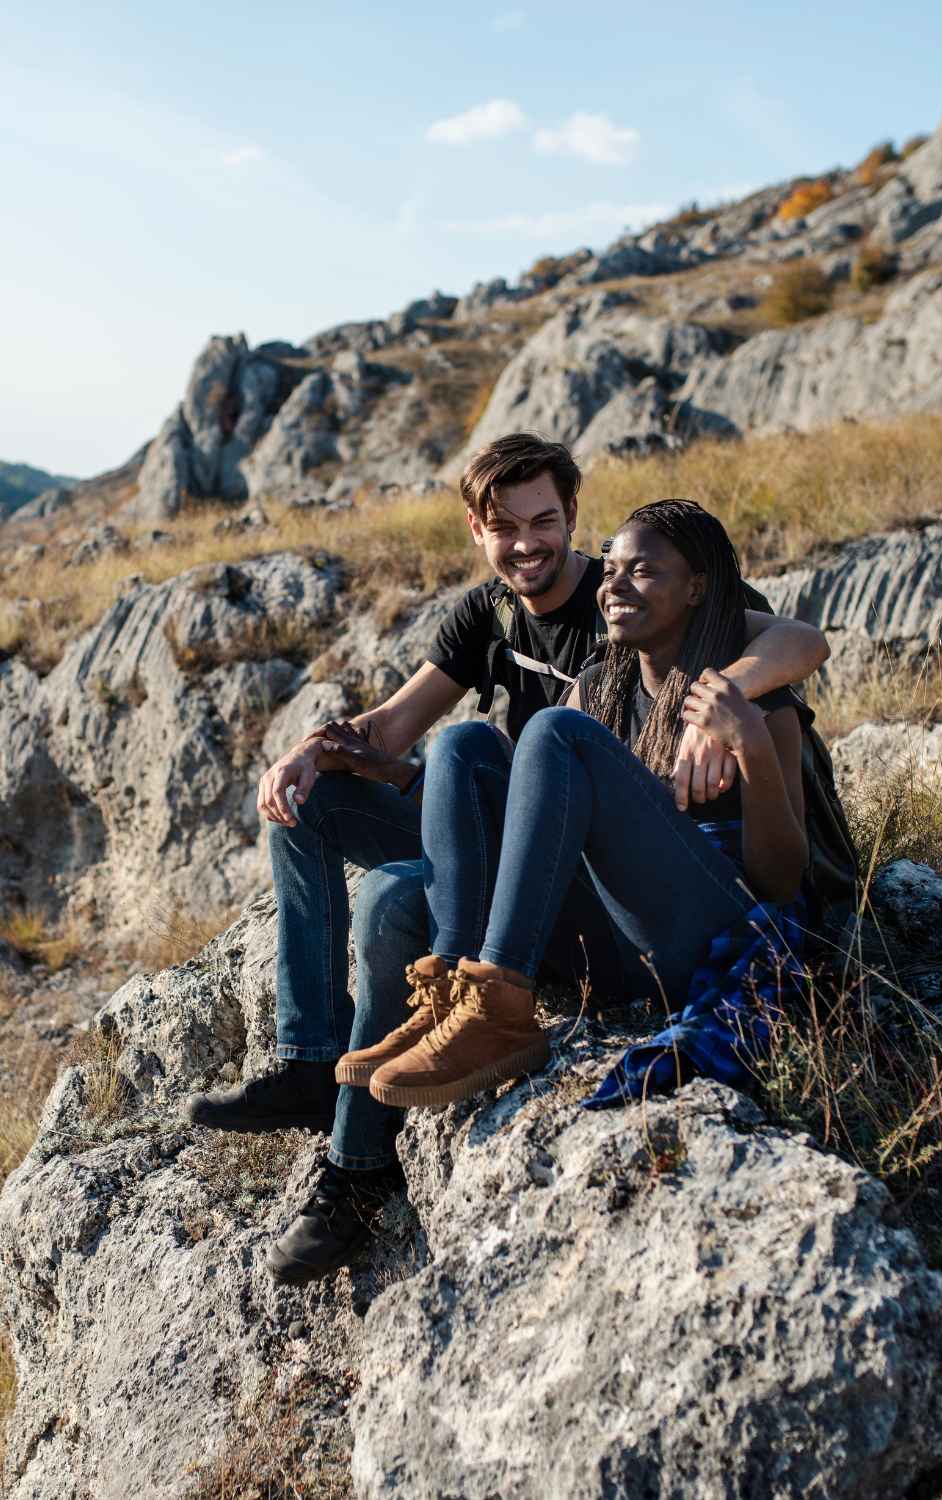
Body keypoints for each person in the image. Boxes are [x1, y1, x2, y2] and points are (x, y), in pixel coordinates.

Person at [182, 434, 829, 1285]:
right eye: (504, 525)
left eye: (546, 521)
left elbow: (797, 640)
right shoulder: (549, 642)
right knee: (427, 769)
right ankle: (364, 1051)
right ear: (477, 531)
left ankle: (481, 1016)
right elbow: (397, 732)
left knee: (436, 849)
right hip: (564, 862)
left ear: (573, 521)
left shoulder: (669, 610)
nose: (531, 543)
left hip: (659, 890)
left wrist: (731, 707)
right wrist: (312, 750)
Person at [332, 499, 812, 1121]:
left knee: (555, 730)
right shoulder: (600, 689)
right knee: (463, 744)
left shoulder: (756, 698)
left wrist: (746, 737)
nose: (614, 584)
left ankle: (499, 1002)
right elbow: (539, 820)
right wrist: (397, 774)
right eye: (610, 569)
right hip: (614, 951)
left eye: (643, 571)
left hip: (701, 934)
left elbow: (782, 880)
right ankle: (455, 995)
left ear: (697, 589)